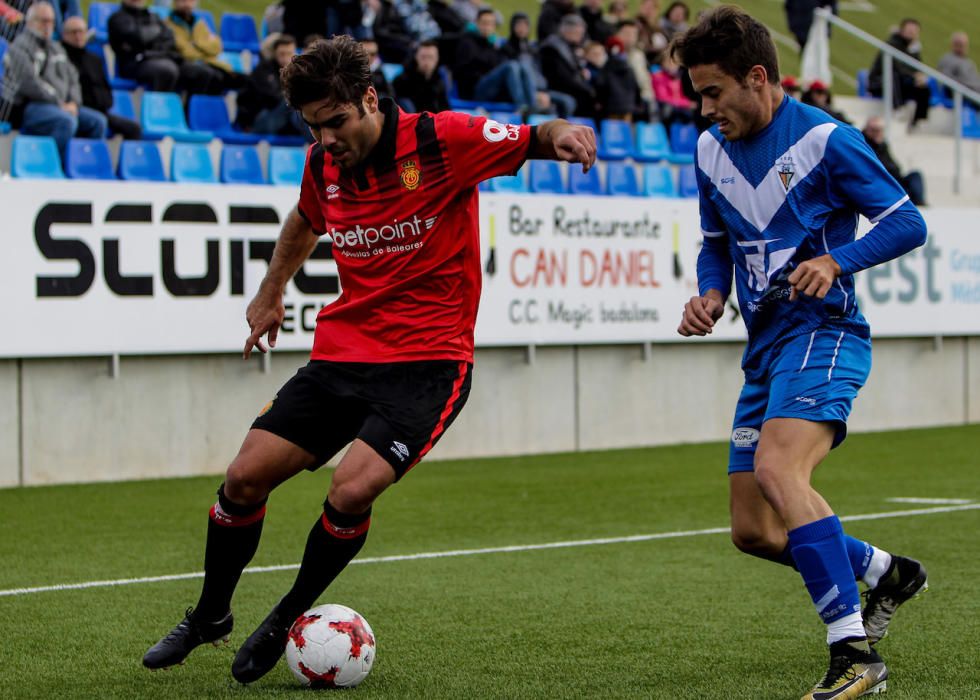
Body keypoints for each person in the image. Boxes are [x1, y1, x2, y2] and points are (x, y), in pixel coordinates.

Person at [142, 34, 596, 684]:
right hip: (344, 354)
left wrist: (566, 134)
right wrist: (271, 294)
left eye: (336, 122)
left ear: (370, 99)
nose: (326, 138)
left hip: (430, 362)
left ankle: (286, 616)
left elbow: (532, 135)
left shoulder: (442, 140)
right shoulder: (322, 164)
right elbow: (305, 220)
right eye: (313, 126)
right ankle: (211, 615)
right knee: (243, 479)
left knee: (351, 487)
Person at [671, 7, 929, 699]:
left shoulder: (826, 139)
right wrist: (708, 293)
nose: (705, 106)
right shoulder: (707, 149)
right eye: (699, 93)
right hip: (765, 352)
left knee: (780, 469)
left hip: (826, 334)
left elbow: (908, 221)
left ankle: (855, 655)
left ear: (758, 78)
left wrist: (837, 262)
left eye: (714, 91)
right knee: (753, 529)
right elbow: (714, 242)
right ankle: (884, 573)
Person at [3, 2, 107, 157]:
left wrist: (73, 103)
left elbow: (73, 78)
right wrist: (59, 103)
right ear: (31, 22)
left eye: (51, 21)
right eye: (43, 21)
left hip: (60, 106)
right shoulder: (20, 46)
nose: (48, 26)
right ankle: (52, 165)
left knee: (98, 122)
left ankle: (85, 166)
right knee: (65, 122)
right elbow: (29, 83)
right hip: (31, 106)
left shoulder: (56, 47)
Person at [60, 15, 142, 140]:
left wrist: (106, 102)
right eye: (73, 32)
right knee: (97, 122)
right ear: (64, 35)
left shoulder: (95, 59)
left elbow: (105, 87)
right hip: (79, 108)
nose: (78, 36)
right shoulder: (61, 58)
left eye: (81, 31)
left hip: (102, 110)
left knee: (134, 128)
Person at [108, 0, 213, 93]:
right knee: (167, 70)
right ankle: (160, 112)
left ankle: (188, 112)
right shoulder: (118, 18)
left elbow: (169, 39)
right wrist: (156, 34)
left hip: (161, 57)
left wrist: (152, 39)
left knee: (202, 73)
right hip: (136, 63)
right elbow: (137, 37)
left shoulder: (152, 16)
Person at [166, 0, 244, 95]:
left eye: (190, 1)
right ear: (175, 2)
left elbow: (217, 47)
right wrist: (205, 46)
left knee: (244, 80)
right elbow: (187, 52)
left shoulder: (199, 23)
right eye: (183, 1)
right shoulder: (169, 24)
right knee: (211, 76)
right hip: (187, 64)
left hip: (209, 63)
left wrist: (196, 43)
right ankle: (194, 108)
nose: (187, 4)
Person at [235, 33, 304, 136]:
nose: (285, 58)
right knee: (291, 101)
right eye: (282, 54)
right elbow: (273, 98)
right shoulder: (263, 70)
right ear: (275, 53)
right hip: (256, 120)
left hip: (281, 120)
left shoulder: (296, 71)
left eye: (289, 54)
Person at [868, 18, 931, 128]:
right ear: (902, 30)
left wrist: (919, 76)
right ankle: (897, 109)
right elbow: (896, 67)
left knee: (923, 88)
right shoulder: (892, 44)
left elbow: (917, 67)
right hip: (880, 82)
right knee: (893, 76)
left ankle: (918, 121)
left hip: (901, 82)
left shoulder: (913, 49)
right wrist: (914, 76)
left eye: (914, 31)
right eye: (909, 30)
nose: (912, 33)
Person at [539, 14, 597, 119]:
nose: (581, 37)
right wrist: (588, 90)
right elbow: (562, 77)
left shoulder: (570, 48)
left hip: (567, 88)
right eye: (578, 33)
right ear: (567, 31)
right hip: (553, 89)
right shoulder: (553, 48)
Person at [862, 116, 926, 206]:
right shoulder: (864, 144)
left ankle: (919, 201)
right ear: (867, 130)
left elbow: (895, 166)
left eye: (880, 130)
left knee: (915, 175)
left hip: (896, 181)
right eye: (874, 130)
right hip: (885, 184)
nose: (878, 133)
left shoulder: (883, 145)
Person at [392, 40, 449, 113]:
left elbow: (445, 108)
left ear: (437, 58)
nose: (427, 61)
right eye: (423, 57)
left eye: (431, 57)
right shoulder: (402, 80)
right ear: (416, 57)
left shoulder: (439, 80)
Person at [937, 32, 980, 103]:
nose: (962, 47)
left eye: (964, 45)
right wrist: (970, 86)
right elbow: (946, 80)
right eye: (959, 44)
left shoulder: (969, 62)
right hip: (964, 95)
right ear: (953, 45)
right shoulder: (947, 59)